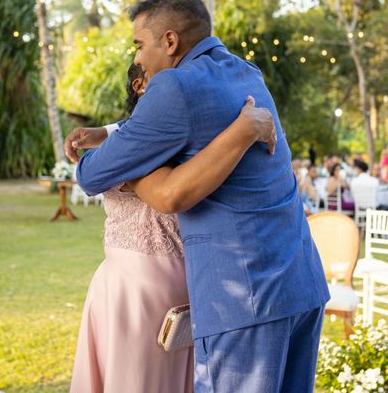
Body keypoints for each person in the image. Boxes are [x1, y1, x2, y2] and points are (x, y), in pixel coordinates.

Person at [66, 0, 330, 393]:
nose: (137, 57)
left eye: (140, 44)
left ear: (169, 41)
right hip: (301, 283)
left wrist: (124, 156)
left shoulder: (174, 85)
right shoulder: (247, 74)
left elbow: (91, 173)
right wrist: (111, 133)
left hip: (247, 297)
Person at [70, 64, 276, 393]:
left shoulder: (165, 139)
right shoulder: (141, 144)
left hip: (165, 290)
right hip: (156, 288)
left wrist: (109, 132)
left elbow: (105, 162)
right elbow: (131, 140)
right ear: (141, 86)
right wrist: (109, 131)